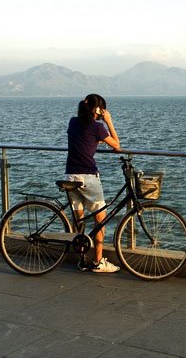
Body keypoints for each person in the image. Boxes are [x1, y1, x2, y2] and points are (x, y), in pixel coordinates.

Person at [65, 94, 121, 273]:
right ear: (98, 110)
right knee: (100, 220)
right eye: (102, 109)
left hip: (70, 175)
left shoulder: (73, 122)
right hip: (88, 176)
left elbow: (83, 139)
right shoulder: (98, 127)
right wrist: (109, 121)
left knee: (79, 220)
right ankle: (98, 262)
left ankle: (82, 260)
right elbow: (117, 145)